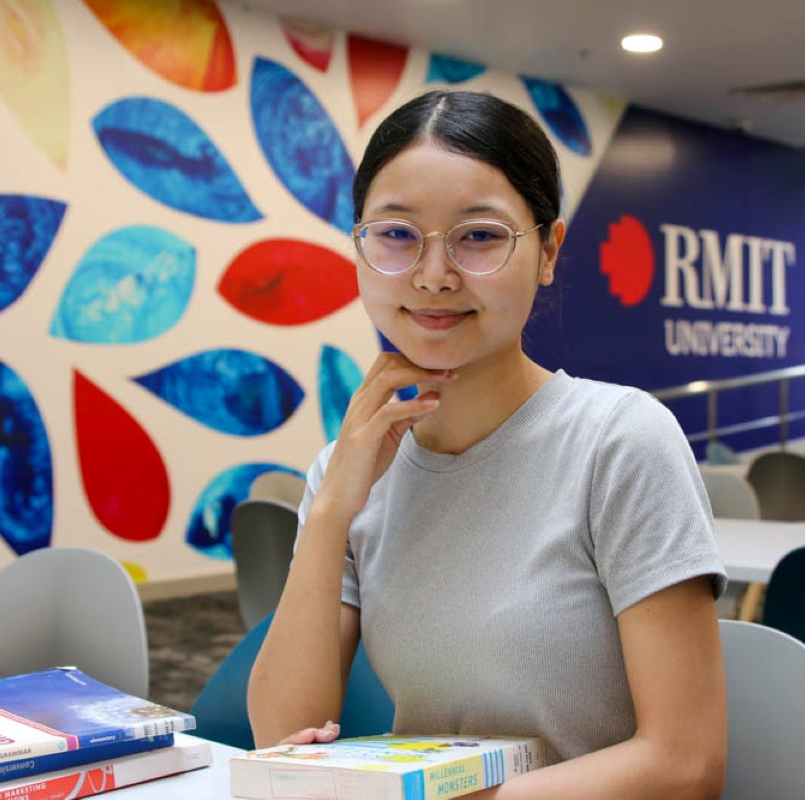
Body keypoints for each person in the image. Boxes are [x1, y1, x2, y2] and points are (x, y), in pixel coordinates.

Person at [247, 89, 727, 798]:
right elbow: (284, 740)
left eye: (478, 236)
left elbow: (685, 764)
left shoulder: (620, 441)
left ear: (548, 251)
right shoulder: (351, 470)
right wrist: (328, 517)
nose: (433, 275)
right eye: (397, 233)